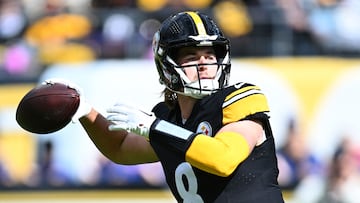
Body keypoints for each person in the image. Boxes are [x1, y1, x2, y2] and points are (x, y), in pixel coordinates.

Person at [44, 11, 284, 202]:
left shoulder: (241, 98)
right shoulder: (167, 119)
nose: (204, 64)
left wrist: (154, 128)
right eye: (191, 57)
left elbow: (223, 159)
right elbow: (120, 148)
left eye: (210, 55)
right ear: (167, 68)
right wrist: (84, 110)